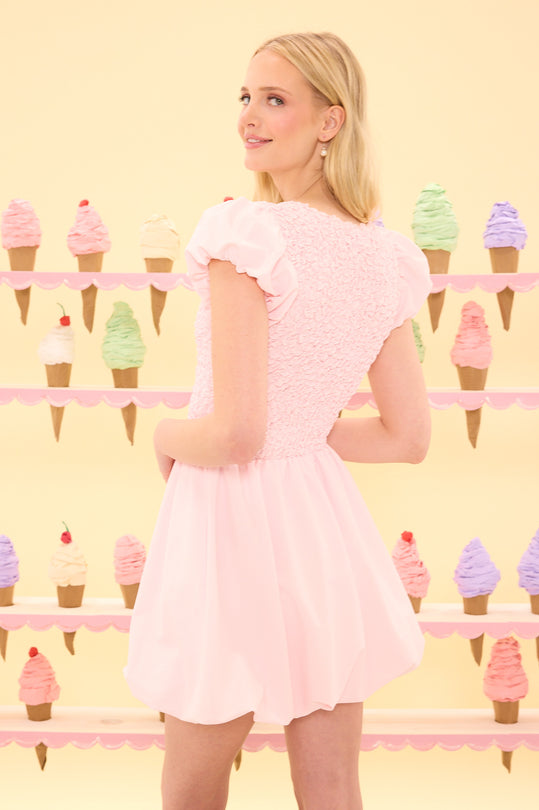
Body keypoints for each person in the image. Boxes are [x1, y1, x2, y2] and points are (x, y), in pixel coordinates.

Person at [125, 31, 431, 810]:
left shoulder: (246, 234)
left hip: (228, 521)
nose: (250, 117)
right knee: (333, 787)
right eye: (246, 97)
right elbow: (407, 437)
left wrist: (164, 434)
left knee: (191, 787)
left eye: (275, 99)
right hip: (318, 521)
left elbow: (233, 436)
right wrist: (307, 421)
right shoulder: (386, 256)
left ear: (329, 122)